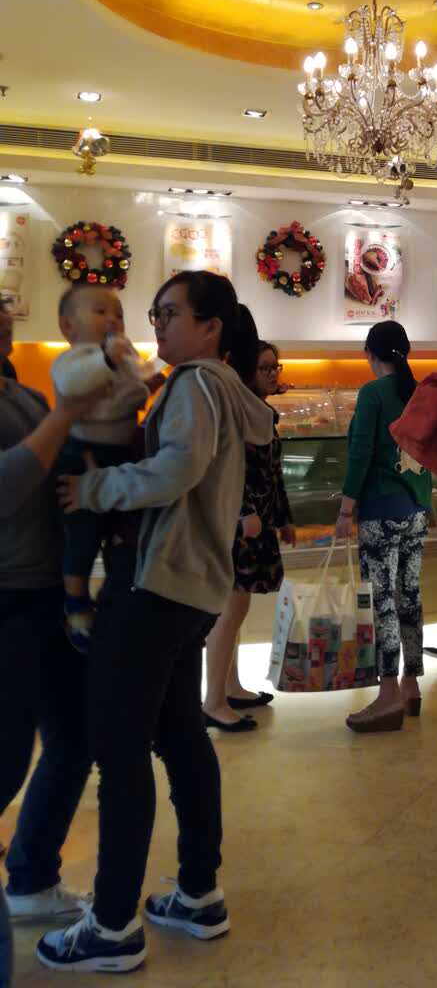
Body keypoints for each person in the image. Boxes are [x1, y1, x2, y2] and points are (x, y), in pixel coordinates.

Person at [38, 272, 274, 974]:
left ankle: (112, 925)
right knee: (179, 736)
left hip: (155, 585)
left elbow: (176, 470)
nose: (157, 324)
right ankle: (199, 893)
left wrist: (95, 487)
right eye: (155, 312)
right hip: (192, 586)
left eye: (170, 313)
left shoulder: (195, 386)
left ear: (211, 327)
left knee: (119, 749)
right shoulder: (220, 388)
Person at [0, 296, 103, 945]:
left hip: (48, 595)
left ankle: (32, 878)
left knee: (72, 738)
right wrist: (66, 413)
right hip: (9, 599)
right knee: (8, 756)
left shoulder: (24, 395)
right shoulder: (44, 403)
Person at [335, 321, 432, 734]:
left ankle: (388, 691)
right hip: (417, 509)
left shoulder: (372, 393)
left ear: (370, 354)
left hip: (381, 511)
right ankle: (412, 683)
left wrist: (346, 509)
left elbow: (360, 452)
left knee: (383, 601)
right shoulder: (420, 392)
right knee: (409, 594)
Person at [51, 285, 154, 651]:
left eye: (119, 314)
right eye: (100, 311)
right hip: (82, 454)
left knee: (122, 529)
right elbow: (74, 386)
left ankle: (117, 593)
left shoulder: (123, 357)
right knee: (82, 532)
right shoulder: (73, 359)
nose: (113, 320)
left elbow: (134, 389)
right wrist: (108, 362)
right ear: (68, 326)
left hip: (122, 454)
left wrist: (146, 380)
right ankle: (76, 602)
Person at [202, 341, 296, 732]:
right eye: (264, 368)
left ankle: (231, 687)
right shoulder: (241, 413)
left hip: (256, 522)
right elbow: (229, 468)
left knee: (236, 609)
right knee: (231, 609)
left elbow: (273, 473)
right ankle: (214, 700)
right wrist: (245, 512)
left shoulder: (258, 411)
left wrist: (283, 518)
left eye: (275, 367)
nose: (273, 374)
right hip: (240, 526)